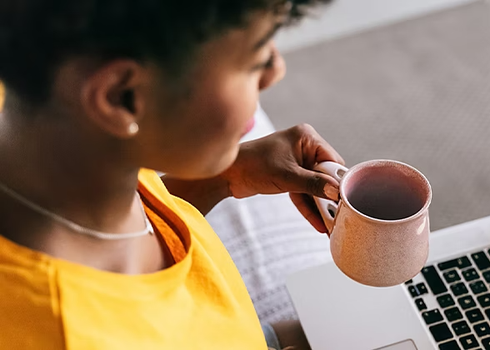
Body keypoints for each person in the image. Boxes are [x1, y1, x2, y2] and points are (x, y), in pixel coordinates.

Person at [0, 0, 340, 349]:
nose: (275, 71)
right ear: (123, 97)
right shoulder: (67, 333)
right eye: (256, 60)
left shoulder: (68, 143)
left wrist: (227, 177)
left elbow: (142, 226)